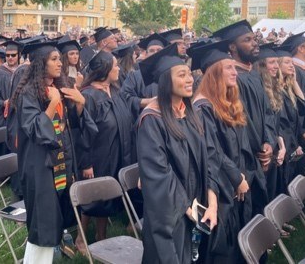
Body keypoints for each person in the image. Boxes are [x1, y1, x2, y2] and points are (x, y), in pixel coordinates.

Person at [8, 41, 95, 263]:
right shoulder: (27, 93)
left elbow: (71, 126)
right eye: (54, 59)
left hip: (60, 161)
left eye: (59, 59)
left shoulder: (59, 87)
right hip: (39, 165)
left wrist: (79, 104)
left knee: (55, 216)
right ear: (40, 63)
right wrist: (52, 103)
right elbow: (34, 129)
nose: (60, 63)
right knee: (43, 221)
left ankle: (52, 253)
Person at [137, 43, 218, 264]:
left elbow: (209, 159)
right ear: (165, 81)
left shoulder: (191, 114)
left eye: (190, 74)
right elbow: (159, 176)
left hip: (197, 206)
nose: (190, 79)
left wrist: (211, 202)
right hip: (169, 215)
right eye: (182, 75)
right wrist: (188, 208)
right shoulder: (152, 120)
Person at [191, 40, 256, 263]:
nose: (234, 70)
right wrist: (236, 177)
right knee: (221, 249)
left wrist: (242, 175)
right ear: (214, 73)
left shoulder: (226, 103)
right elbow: (211, 152)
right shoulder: (202, 108)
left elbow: (240, 143)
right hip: (216, 186)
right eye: (228, 67)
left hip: (235, 183)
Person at [212, 20, 275, 215]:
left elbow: (268, 113)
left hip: (260, 153)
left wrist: (269, 142)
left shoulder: (253, 75)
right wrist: (258, 147)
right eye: (247, 40)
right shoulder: (231, 80)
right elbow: (240, 122)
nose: (255, 43)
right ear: (232, 47)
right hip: (244, 155)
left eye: (254, 38)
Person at [74, 51, 133, 253]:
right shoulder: (89, 95)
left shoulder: (113, 91)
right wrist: (86, 163)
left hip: (114, 154)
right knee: (92, 197)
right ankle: (80, 238)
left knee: (105, 198)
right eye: (115, 65)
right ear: (105, 69)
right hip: (96, 157)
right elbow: (82, 132)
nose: (118, 68)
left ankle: (100, 235)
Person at [253, 44, 286, 200]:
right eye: (272, 62)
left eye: (277, 62)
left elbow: (275, 123)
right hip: (263, 150)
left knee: (270, 190)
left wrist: (281, 145)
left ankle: (272, 222)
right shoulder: (257, 88)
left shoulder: (274, 87)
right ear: (261, 65)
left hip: (273, 146)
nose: (276, 66)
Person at [277, 47, 305, 191]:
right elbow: (280, 122)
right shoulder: (275, 91)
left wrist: (295, 82)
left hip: (293, 141)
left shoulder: (288, 88)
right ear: (278, 66)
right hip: (284, 144)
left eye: (292, 62)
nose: (292, 65)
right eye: (287, 62)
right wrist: (292, 144)